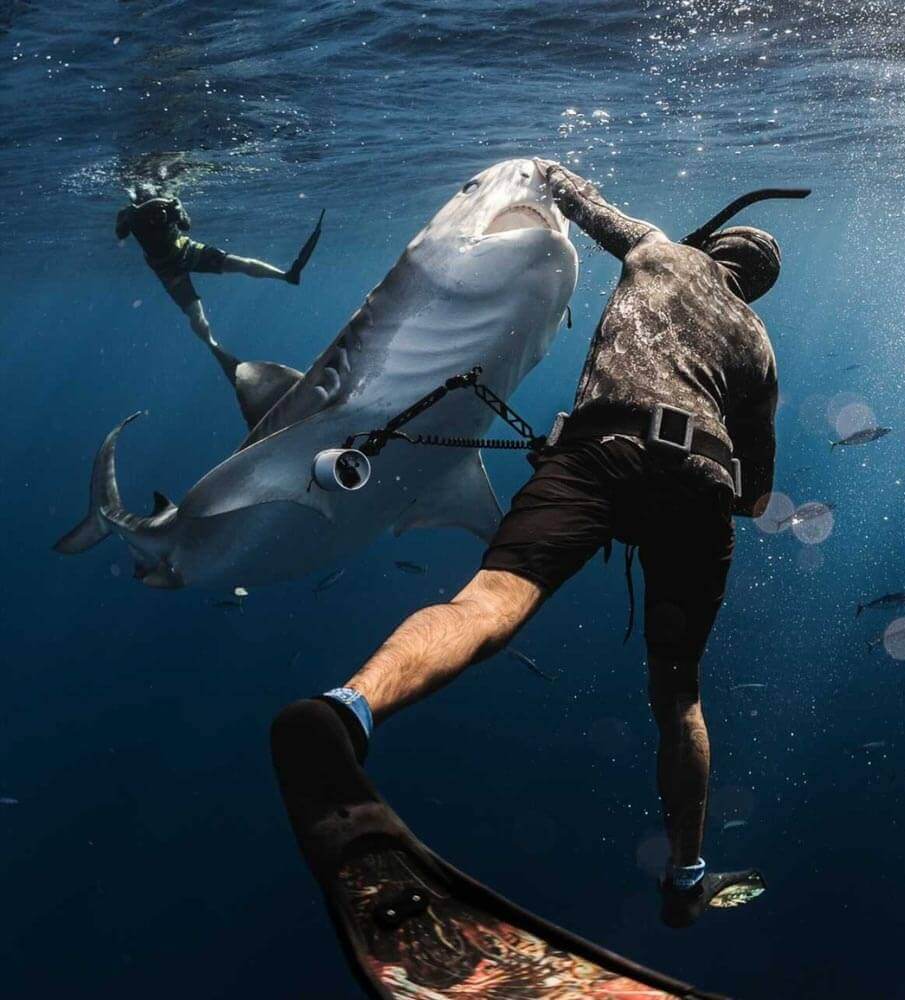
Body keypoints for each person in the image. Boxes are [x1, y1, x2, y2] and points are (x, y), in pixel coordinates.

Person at [278, 160, 784, 928]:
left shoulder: (657, 252)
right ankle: (686, 874)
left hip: (596, 454)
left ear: (713, 246)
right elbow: (755, 498)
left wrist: (542, 170)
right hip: (698, 486)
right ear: (753, 285)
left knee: (485, 603)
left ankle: (348, 709)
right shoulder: (759, 349)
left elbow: (571, 193)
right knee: (678, 695)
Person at [115, 183, 322, 374]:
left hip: (184, 253)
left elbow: (186, 225)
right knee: (197, 313)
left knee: (239, 266)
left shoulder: (168, 202)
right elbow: (120, 233)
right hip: (170, 267)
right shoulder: (129, 212)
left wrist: (176, 212)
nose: (153, 213)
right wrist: (129, 219)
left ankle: (286, 275)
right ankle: (213, 345)